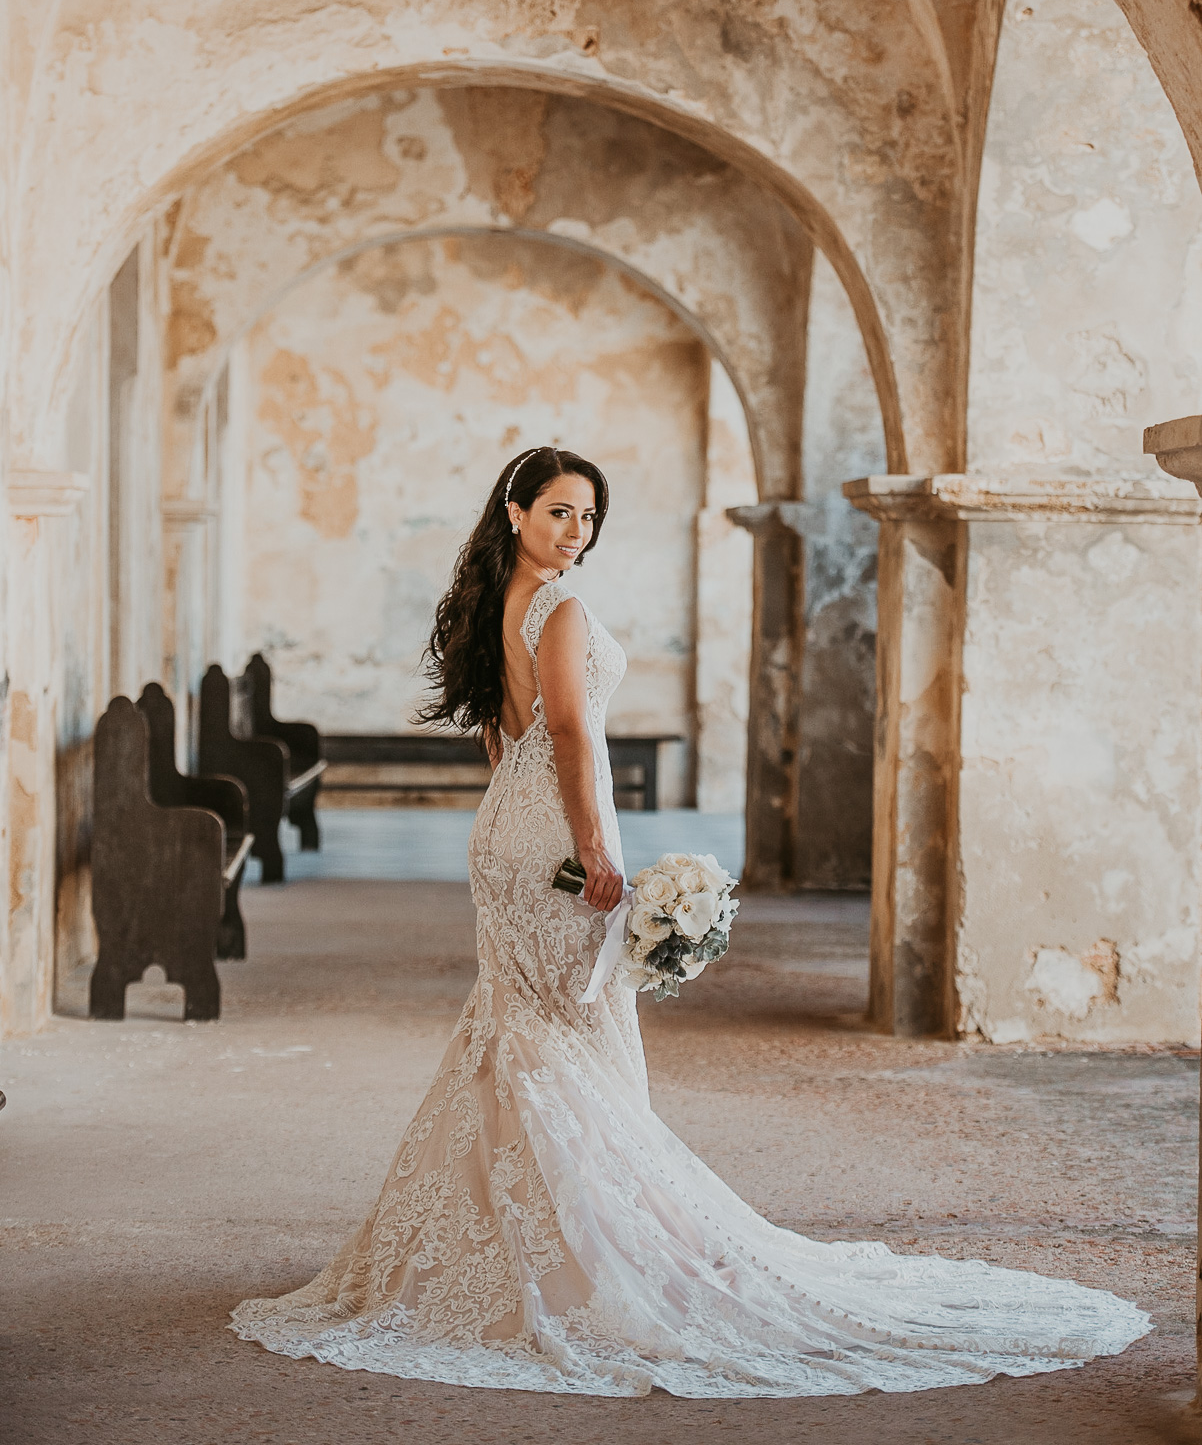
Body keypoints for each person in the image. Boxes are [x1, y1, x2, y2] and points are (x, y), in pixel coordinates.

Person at [231, 445, 1149, 1398]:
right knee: (566, 1032)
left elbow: (501, 733)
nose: (574, 531)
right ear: (514, 511)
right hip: (552, 829)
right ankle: (582, 1255)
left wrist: (517, 816)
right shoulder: (559, 606)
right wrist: (596, 850)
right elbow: (576, 732)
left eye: (587, 517)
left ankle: (519, 1245)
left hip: (507, 824)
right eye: (557, 512)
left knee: (523, 1027)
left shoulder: (492, 600)